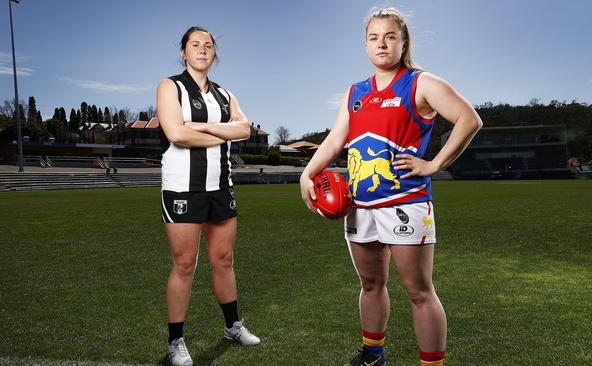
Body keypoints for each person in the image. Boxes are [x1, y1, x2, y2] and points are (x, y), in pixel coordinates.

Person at [299, 8, 482, 366]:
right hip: (360, 203)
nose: (381, 44)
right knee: (370, 285)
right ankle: (372, 355)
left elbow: (469, 119)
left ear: (403, 42)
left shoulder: (420, 83)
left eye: (389, 37)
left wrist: (434, 164)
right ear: (365, 45)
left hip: (406, 201)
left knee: (418, 291)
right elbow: (337, 139)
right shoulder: (356, 91)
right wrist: (307, 173)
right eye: (373, 37)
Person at [156, 26, 260, 366]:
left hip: (221, 186)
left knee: (224, 260)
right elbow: (175, 133)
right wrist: (221, 132)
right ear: (184, 52)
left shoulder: (225, 94)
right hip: (182, 188)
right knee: (185, 265)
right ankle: (176, 341)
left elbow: (245, 128)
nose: (202, 49)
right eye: (195, 45)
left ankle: (233, 326)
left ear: (214, 54)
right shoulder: (169, 86)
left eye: (209, 45)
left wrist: (198, 127)